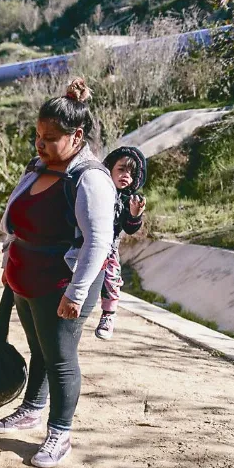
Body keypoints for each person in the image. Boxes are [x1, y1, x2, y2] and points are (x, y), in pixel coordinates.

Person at [0, 78, 116, 468]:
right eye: (37, 136)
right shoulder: (39, 167)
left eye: (49, 138)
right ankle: (32, 408)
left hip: (64, 280)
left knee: (61, 357)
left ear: (77, 136)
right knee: (40, 347)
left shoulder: (90, 178)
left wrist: (76, 294)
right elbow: (19, 220)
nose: (40, 145)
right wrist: (10, 263)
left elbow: (98, 242)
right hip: (26, 274)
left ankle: (60, 433)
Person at [95, 146, 148, 340]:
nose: (126, 175)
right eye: (121, 169)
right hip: (87, 242)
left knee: (112, 279)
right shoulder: (97, 189)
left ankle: (108, 315)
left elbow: (130, 227)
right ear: (110, 168)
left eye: (131, 173)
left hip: (109, 248)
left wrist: (135, 215)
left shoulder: (129, 200)